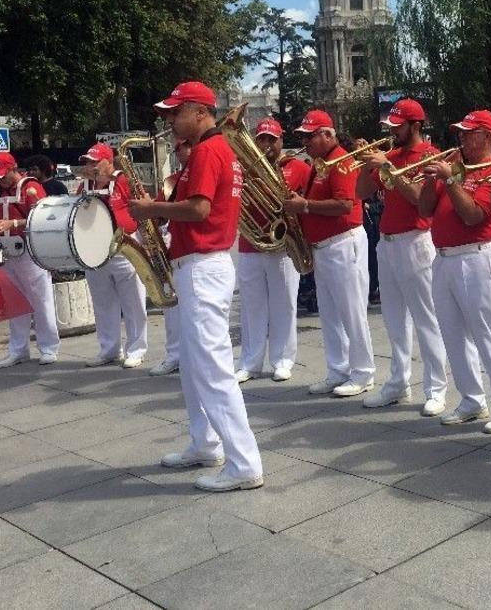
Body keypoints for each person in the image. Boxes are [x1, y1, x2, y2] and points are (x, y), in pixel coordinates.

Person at [129, 81, 263, 492]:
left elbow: (199, 209)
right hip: (202, 266)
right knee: (194, 365)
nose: (169, 119)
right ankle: (205, 443)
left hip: (203, 267)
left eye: (175, 112)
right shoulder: (214, 149)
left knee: (212, 368)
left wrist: (152, 209)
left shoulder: (207, 150)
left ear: (200, 111)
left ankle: (243, 464)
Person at [417, 110, 491, 434]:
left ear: (488, 136)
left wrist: (450, 180)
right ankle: (471, 399)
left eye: (469, 132)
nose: (461, 137)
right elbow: (423, 210)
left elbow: (473, 215)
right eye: (460, 132)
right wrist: (430, 179)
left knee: (485, 333)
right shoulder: (456, 165)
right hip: (444, 257)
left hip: (475, 257)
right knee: (452, 333)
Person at [354, 99, 449, 415]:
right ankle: (398, 382)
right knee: (394, 319)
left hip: (416, 240)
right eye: (390, 126)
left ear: (416, 125)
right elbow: (361, 192)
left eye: (398, 125)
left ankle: (436, 388)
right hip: (387, 241)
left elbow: (419, 198)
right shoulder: (390, 155)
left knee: (426, 318)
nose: (392, 131)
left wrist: (386, 166)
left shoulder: (429, 156)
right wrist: (368, 164)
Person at [283, 110, 376, 398]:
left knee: (351, 311)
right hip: (325, 246)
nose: (305, 141)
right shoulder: (319, 164)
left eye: (310, 135)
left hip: (342, 243)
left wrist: (306, 206)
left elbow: (345, 205)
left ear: (328, 134)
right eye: (303, 136)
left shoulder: (341, 162)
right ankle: (338, 370)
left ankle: (363, 372)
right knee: (330, 313)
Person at [234, 117, 308, 384]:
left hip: (283, 245)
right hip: (250, 244)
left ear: (281, 140)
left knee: (284, 304)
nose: (265, 144)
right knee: (251, 307)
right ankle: (250, 362)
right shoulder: (244, 168)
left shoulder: (297, 168)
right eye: (261, 139)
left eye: (271, 139)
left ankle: (283, 359)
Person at [0, 153, 60, 368]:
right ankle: (18, 350)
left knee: (41, 299)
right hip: (7, 250)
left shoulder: (30, 186)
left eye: (2, 175)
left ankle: (49, 348)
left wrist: (12, 223)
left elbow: (43, 216)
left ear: (13, 168)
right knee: (15, 302)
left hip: (29, 250)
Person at [77, 143, 149, 368]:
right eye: (88, 162)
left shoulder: (123, 181)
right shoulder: (83, 186)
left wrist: (146, 241)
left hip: (122, 246)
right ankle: (109, 349)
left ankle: (136, 349)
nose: (90, 166)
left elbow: (141, 210)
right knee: (102, 302)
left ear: (109, 162)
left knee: (133, 302)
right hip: (94, 250)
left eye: (95, 162)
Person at [150, 138, 190, 376]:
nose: (180, 151)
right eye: (176, 148)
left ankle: (192, 357)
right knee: (171, 309)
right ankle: (174, 354)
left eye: (184, 146)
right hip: (170, 250)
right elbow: (158, 214)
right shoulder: (170, 182)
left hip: (197, 252)